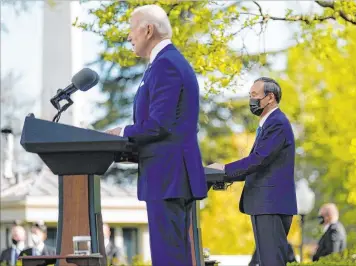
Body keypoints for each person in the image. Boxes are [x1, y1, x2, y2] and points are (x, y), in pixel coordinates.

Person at [105, 5, 207, 266]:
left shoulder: (166, 65)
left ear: (148, 29)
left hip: (168, 176)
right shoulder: (162, 64)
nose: (129, 36)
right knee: (171, 255)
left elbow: (158, 125)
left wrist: (122, 132)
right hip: (166, 175)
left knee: (169, 257)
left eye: (131, 29)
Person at [208, 77, 298, 266]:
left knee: (272, 262)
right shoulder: (269, 124)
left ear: (270, 97)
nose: (251, 100)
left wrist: (224, 169)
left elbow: (258, 160)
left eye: (255, 95)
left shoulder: (277, 123)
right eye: (250, 95)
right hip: (265, 204)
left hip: (271, 205)